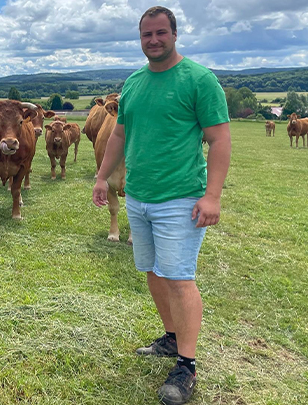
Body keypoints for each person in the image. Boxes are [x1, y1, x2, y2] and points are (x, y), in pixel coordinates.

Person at [92, 6, 231, 405]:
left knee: (179, 278)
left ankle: (186, 366)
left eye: (160, 33)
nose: (153, 40)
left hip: (181, 198)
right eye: (146, 34)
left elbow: (219, 140)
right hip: (138, 196)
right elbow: (119, 134)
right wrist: (102, 176)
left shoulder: (199, 80)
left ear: (174, 34)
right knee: (153, 271)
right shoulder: (134, 83)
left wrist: (213, 196)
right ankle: (171, 339)